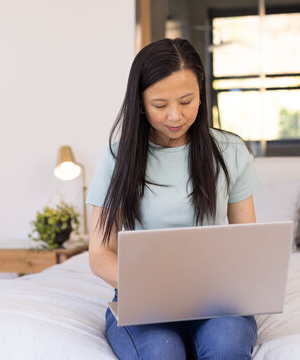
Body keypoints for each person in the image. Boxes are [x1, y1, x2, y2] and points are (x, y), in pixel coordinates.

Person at [85, 38, 261, 360]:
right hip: (142, 298)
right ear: (140, 102)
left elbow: (246, 245)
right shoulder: (117, 158)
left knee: (226, 348)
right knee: (162, 353)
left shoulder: (231, 151)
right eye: (160, 105)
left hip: (217, 298)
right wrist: (158, 288)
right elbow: (100, 253)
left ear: (201, 94)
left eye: (186, 101)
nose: (175, 116)